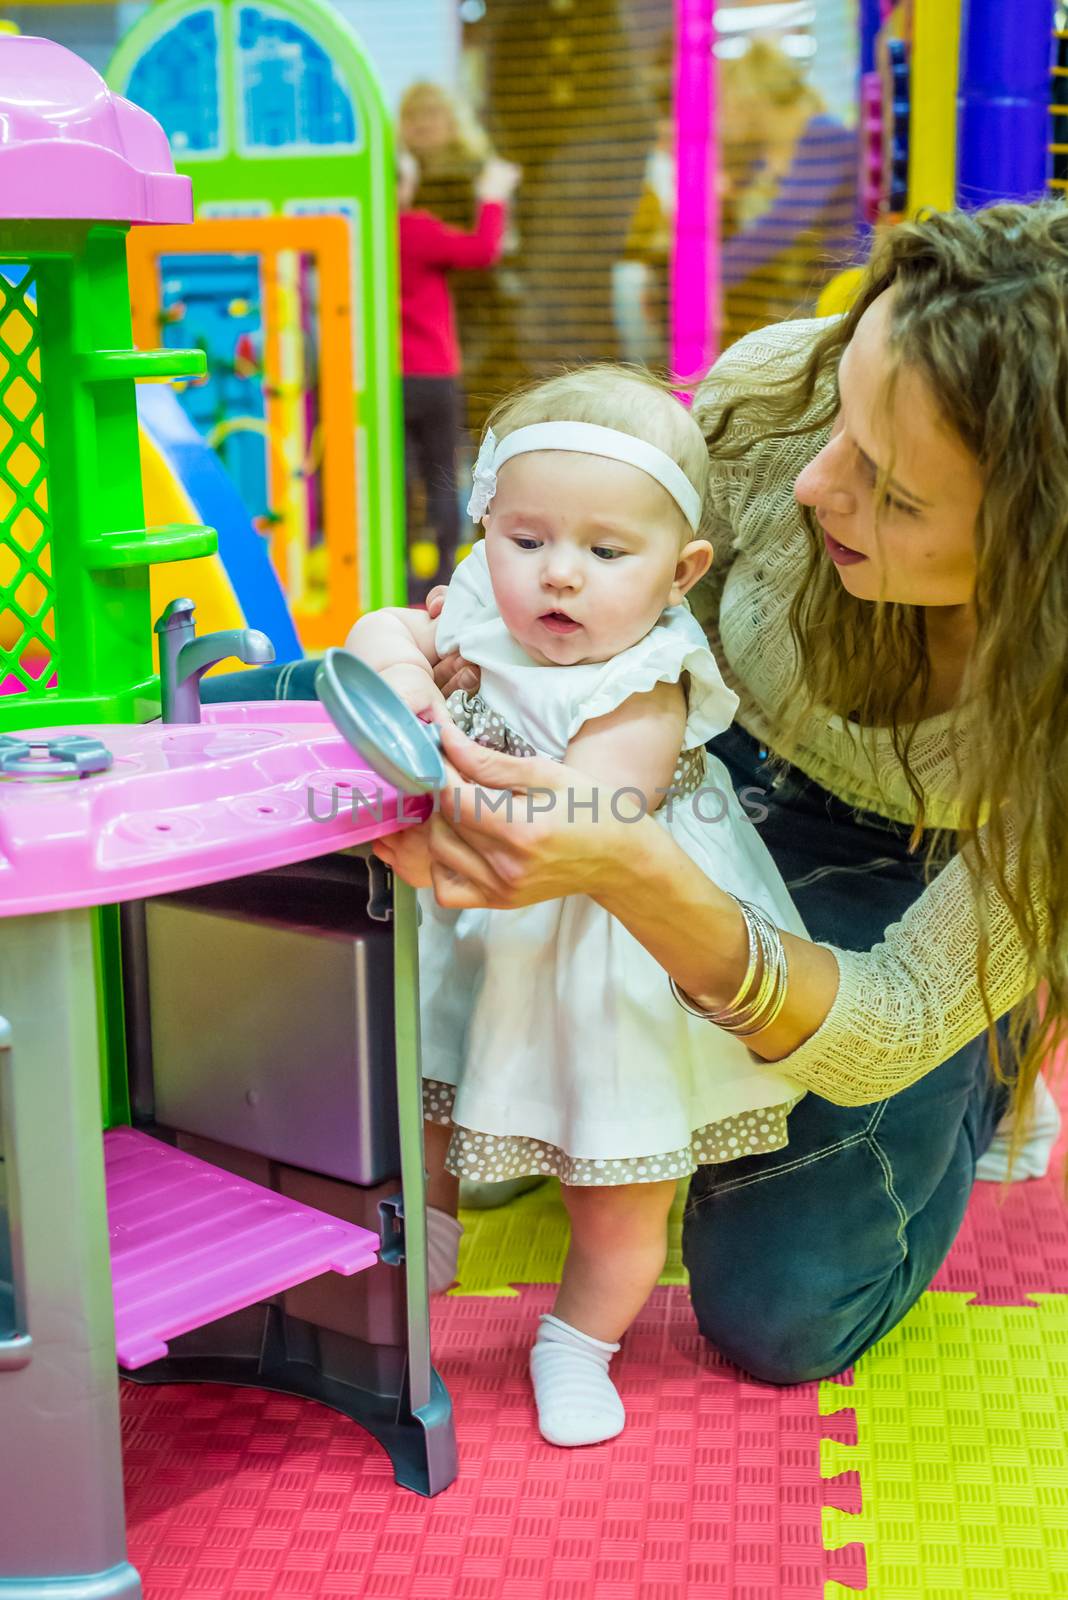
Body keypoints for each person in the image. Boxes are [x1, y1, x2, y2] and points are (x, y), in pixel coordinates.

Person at [368, 202, 1067, 1385]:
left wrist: (626, 868)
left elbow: (879, 1023)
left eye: (891, 496)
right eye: (841, 412)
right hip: (710, 776)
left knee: (784, 1313)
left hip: (918, 871)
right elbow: (580, 568)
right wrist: (421, 658)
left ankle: (999, 1022)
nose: (811, 484)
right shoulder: (778, 399)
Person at [346, 366, 810, 1446]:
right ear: (487, 531)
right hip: (480, 924)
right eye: (526, 539)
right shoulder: (477, 598)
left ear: (679, 570)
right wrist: (396, 662)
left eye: (606, 553)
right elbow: (392, 624)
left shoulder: (651, 667)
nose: (559, 576)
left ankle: (580, 1337)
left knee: (619, 1174)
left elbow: (608, 803)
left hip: (609, 945)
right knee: (426, 1091)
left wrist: (440, 762)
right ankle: (429, 1233)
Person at [397, 150, 520, 599]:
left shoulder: (368, 233)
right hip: (432, 374)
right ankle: (445, 569)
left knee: (398, 474)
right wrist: (492, 198)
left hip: (386, 377)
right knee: (440, 472)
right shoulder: (416, 228)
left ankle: (402, 564)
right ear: (404, 186)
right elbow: (481, 250)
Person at [718, 39, 857, 346]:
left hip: (840, 304)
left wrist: (706, 277)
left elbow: (783, 224)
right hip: (794, 306)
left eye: (725, 102)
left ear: (750, 99)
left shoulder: (823, 135)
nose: (721, 114)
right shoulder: (763, 157)